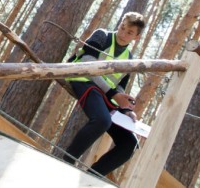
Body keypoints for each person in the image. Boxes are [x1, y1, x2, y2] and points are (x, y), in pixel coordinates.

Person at [62, 12, 146, 177]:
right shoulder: (102, 36)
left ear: (136, 37)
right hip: (83, 79)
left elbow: (120, 86)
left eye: (129, 32)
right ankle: (66, 162)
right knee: (102, 120)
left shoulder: (129, 58)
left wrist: (125, 109)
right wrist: (113, 94)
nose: (123, 33)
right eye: (122, 27)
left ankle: (91, 177)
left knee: (130, 144)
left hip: (105, 94)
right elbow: (87, 63)